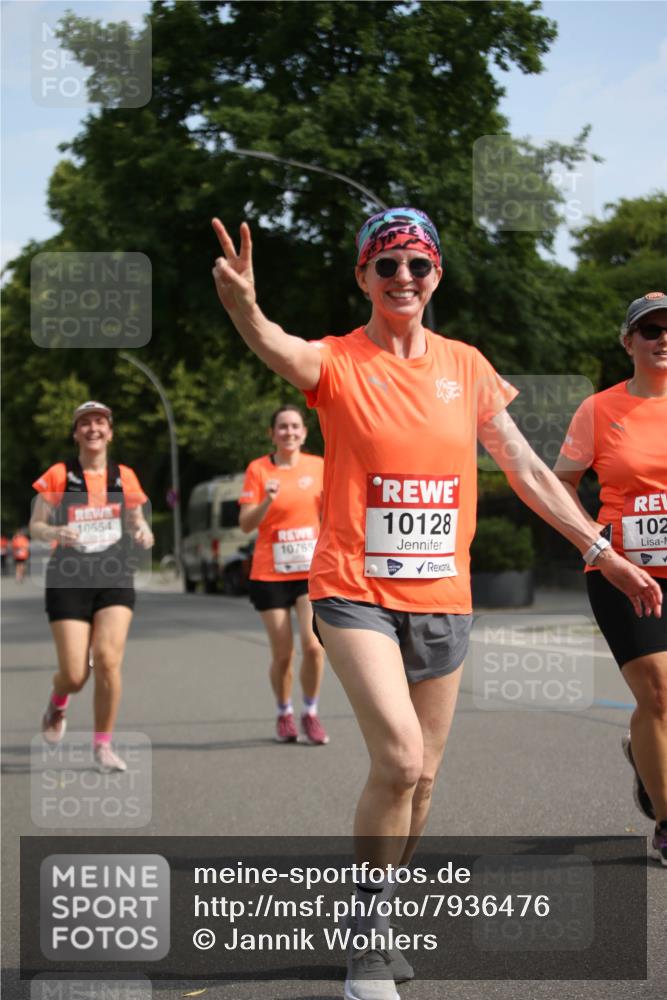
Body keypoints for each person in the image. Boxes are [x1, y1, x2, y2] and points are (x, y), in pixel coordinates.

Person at [211, 209, 662, 999]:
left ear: (436, 276)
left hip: (443, 599)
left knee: (424, 782)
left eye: (417, 266)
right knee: (400, 759)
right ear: (362, 277)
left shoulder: (466, 366)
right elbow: (278, 348)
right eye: (385, 266)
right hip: (353, 589)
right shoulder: (339, 361)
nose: (402, 279)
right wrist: (247, 307)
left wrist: (600, 552)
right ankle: (363, 941)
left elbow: (524, 469)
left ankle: (380, 912)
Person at [554, 291, 667, 867]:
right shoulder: (599, 410)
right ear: (628, 343)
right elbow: (561, 484)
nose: (662, 339)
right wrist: (595, 542)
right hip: (624, 571)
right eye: (650, 331)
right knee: (658, 691)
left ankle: (651, 771)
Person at [30, 401, 154, 773]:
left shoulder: (124, 476)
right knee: (74, 674)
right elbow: (35, 525)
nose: (93, 428)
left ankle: (103, 745)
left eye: (100, 422)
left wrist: (143, 529)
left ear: (110, 432)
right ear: (76, 433)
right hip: (68, 578)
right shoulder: (59, 474)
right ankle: (58, 701)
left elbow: (135, 519)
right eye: (85, 423)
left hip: (114, 576)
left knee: (107, 660)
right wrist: (53, 531)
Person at [239, 405, 328, 745]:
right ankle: (284, 713)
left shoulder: (319, 467)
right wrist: (266, 500)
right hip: (269, 574)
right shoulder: (258, 470)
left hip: (309, 572)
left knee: (315, 647)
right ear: (272, 434)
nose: (289, 432)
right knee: (283, 654)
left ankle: (311, 712)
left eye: (295, 426)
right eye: (282, 427)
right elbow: (246, 524)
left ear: (304, 433)